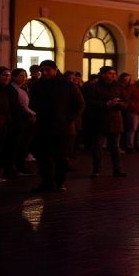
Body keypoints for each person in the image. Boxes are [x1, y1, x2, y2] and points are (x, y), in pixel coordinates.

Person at [29, 60, 84, 192]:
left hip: (63, 128)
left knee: (61, 157)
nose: (44, 73)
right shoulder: (37, 85)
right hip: (43, 126)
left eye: (47, 70)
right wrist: (36, 115)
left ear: (55, 69)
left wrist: (68, 119)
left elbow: (79, 104)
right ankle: (47, 181)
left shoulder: (67, 85)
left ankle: (60, 182)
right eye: (42, 71)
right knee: (43, 156)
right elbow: (33, 103)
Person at [82, 66, 128, 177]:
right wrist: (106, 104)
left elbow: (126, 102)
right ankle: (96, 169)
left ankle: (117, 169)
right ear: (103, 74)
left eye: (114, 73)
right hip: (99, 119)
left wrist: (119, 104)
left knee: (115, 147)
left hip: (115, 119)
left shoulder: (118, 87)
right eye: (110, 73)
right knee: (98, 146)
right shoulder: (94, 87)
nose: (113, 76)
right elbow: (90, 102)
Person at [5, 68, 34, 177]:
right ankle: (12, 168)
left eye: (25, 75)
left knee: (23, 144)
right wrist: (28, 114)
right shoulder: (11, 89)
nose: (23, 78)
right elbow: (15, 106)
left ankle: (20, 165)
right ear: (14, 76)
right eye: (21, 75)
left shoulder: (24, 88)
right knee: (14, 145)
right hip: (16, 120)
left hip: (25, 119)